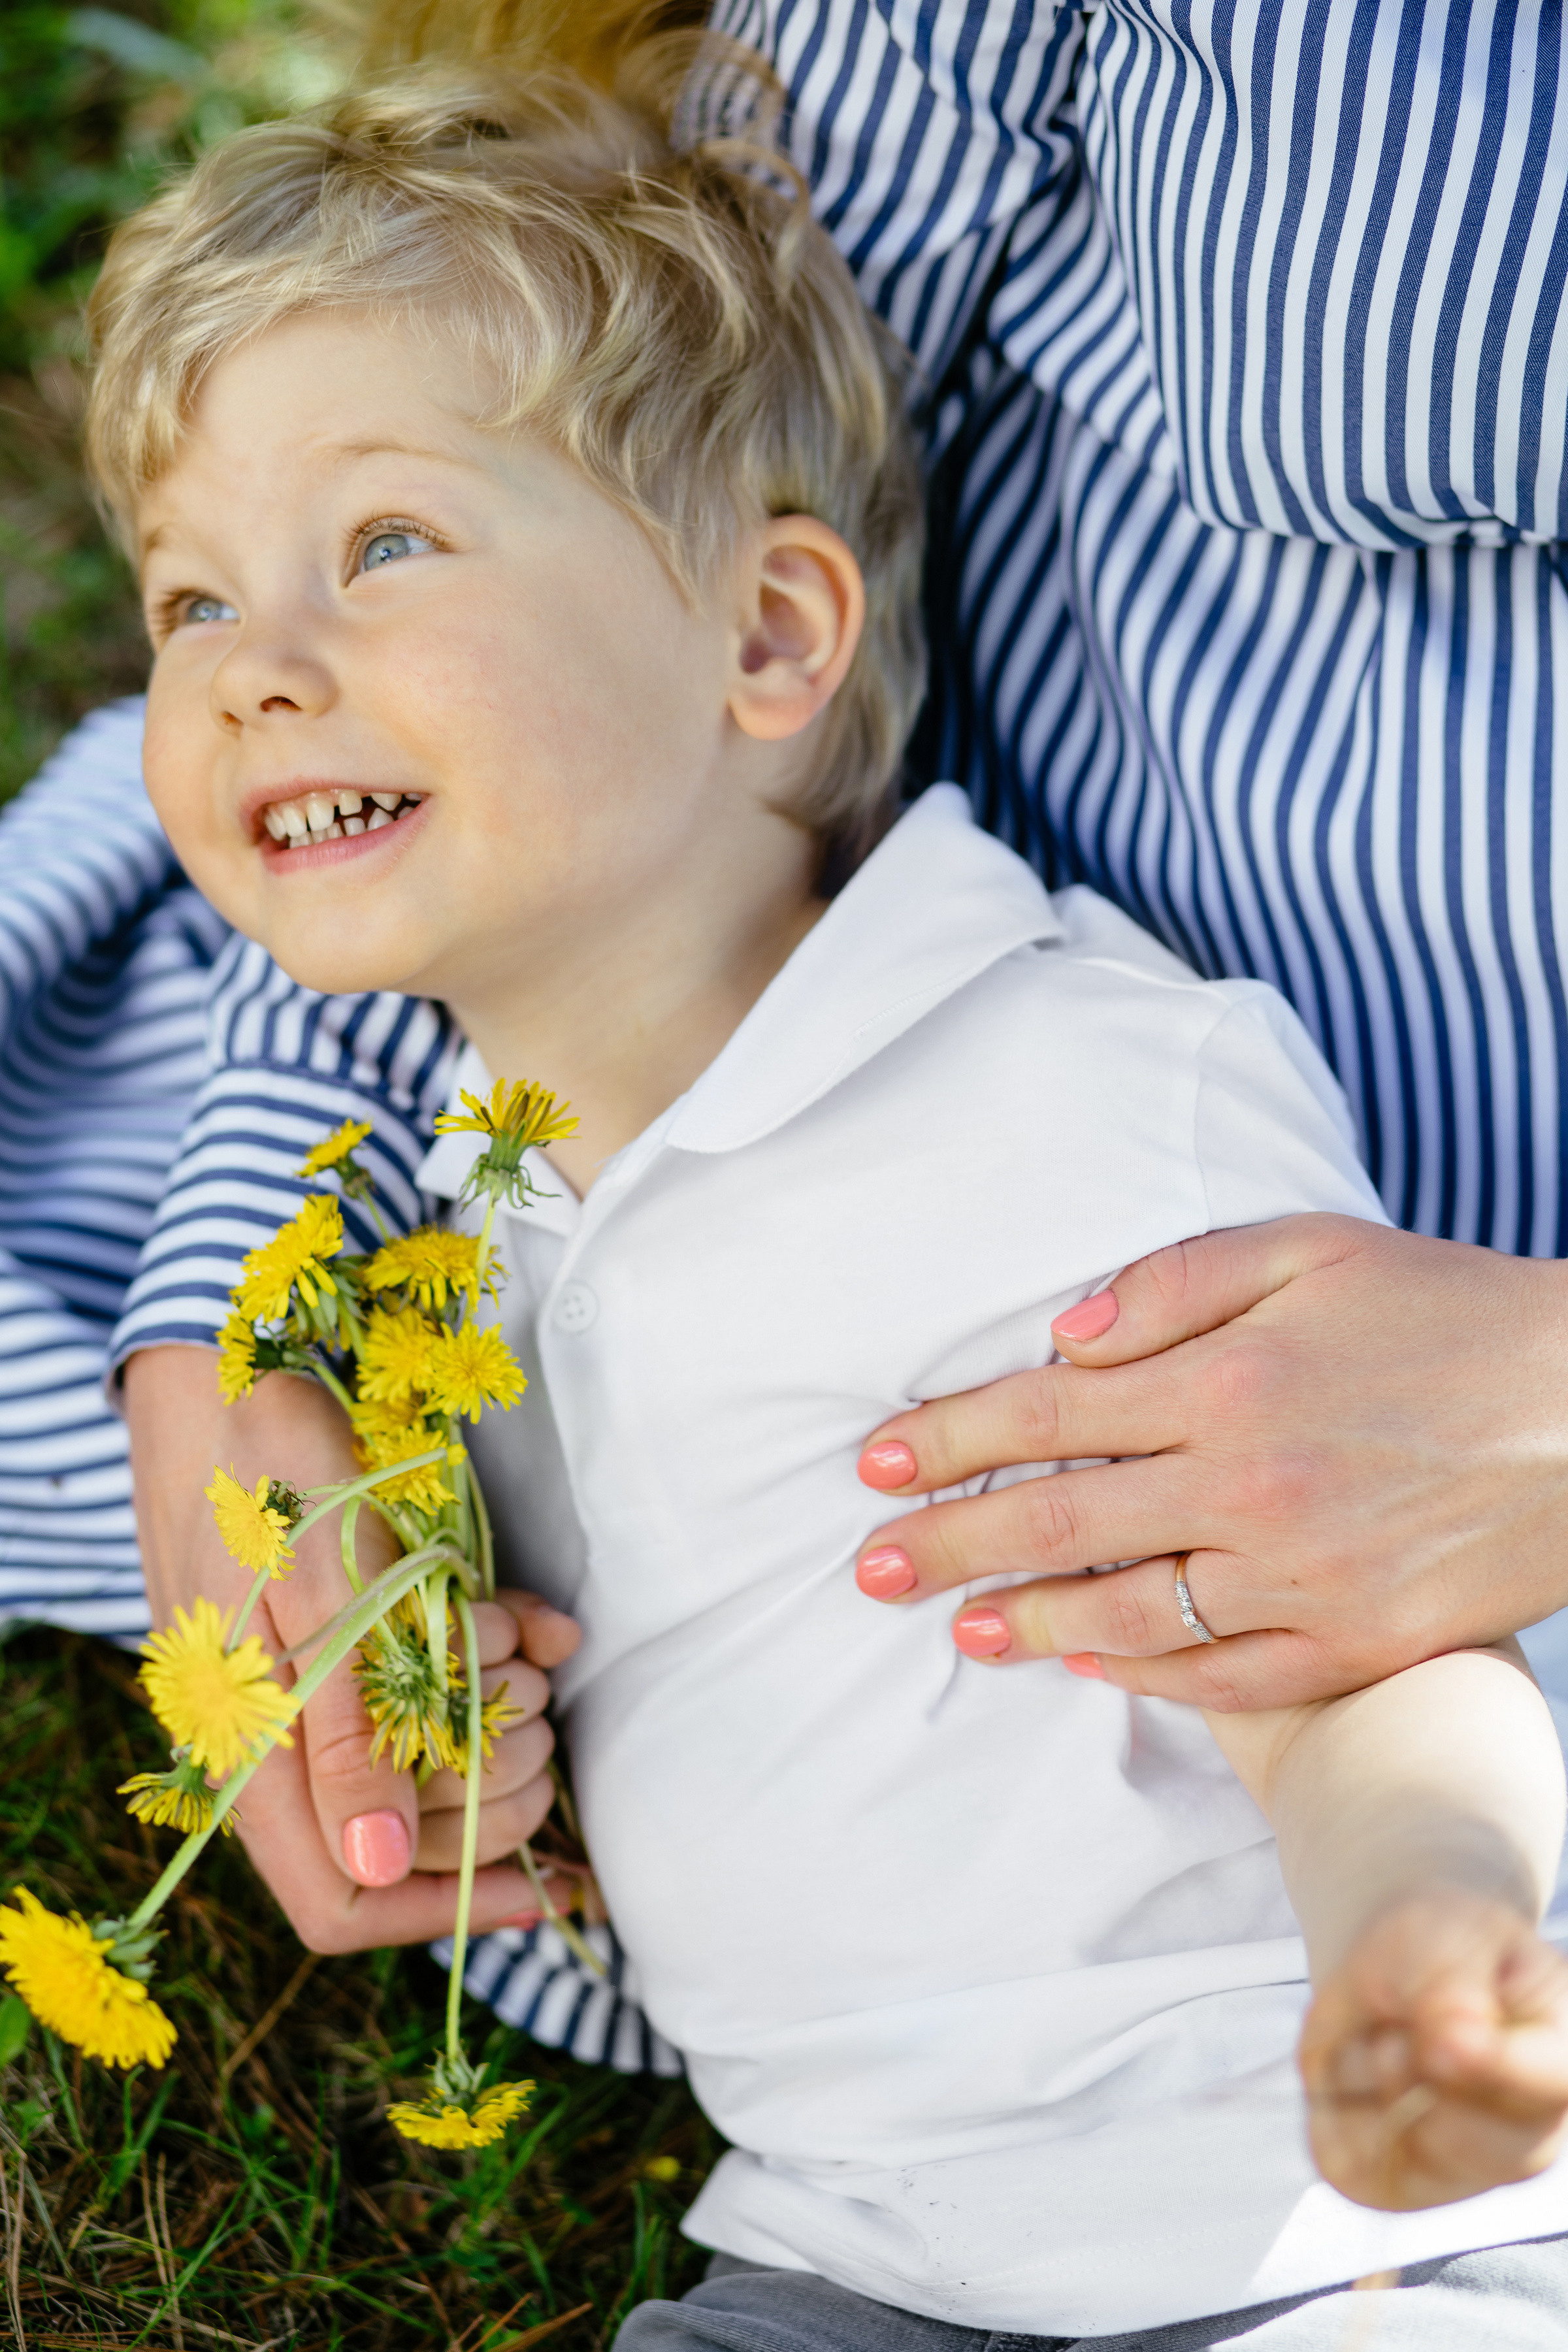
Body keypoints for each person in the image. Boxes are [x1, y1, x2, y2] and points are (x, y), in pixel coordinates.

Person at [75, 20, 1568, 2343]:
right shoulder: (463, 1215)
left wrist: (1433, 1928)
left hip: (1318, 2218)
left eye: (381, 545)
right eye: (185, 602)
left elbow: (1368, 1649)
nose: (257, 671)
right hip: (838, 2241)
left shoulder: (1065, 1087)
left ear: (768, 634)